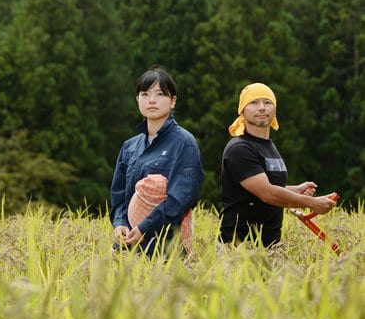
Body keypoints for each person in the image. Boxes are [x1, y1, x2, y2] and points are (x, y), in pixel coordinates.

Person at [220, 82, 337, 247]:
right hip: (239, 247)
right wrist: (310, 203)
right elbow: (267, 193)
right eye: (254, 102)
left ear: (274, 110)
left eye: (267, 102)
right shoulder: (239, 149)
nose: (262, 108)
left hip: (271, 246)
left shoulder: (269, 146)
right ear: (242, 111)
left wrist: (295, 190)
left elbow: (267, 185)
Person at [110, 65, 204, 256]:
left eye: (160, 94)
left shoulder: (184, 143)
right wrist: (120, 223)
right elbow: (118, 194)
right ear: (137, 99)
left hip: (167, 250)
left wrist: (145, 227)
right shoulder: (130, 146)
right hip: (128, 247)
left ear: (173, 101)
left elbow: (181, 198)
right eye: (145, 94)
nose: (151, 100)